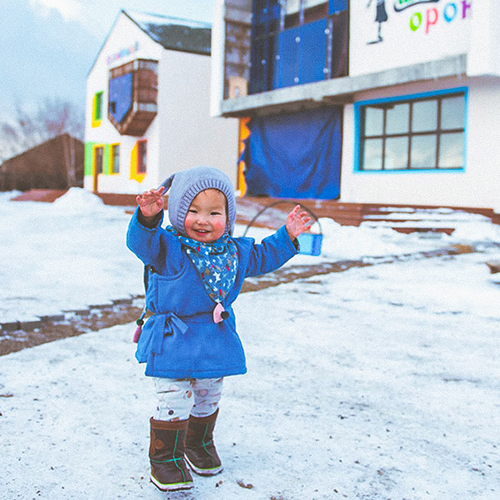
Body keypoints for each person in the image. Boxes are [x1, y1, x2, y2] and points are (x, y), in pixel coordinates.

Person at [126, 166, 312, 491]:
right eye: (193, 211)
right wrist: (147, 217)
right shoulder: (168, 248)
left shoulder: (234, 253)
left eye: (214, 212)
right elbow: (141, 243)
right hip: (173, 338)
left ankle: (197, 444)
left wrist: (288, 236)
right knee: (175, 396)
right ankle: (166, 458)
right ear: (178, 213)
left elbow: (265, 255)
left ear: (228, 216)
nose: (203, 220)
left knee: (209, 394)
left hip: (214, 339)